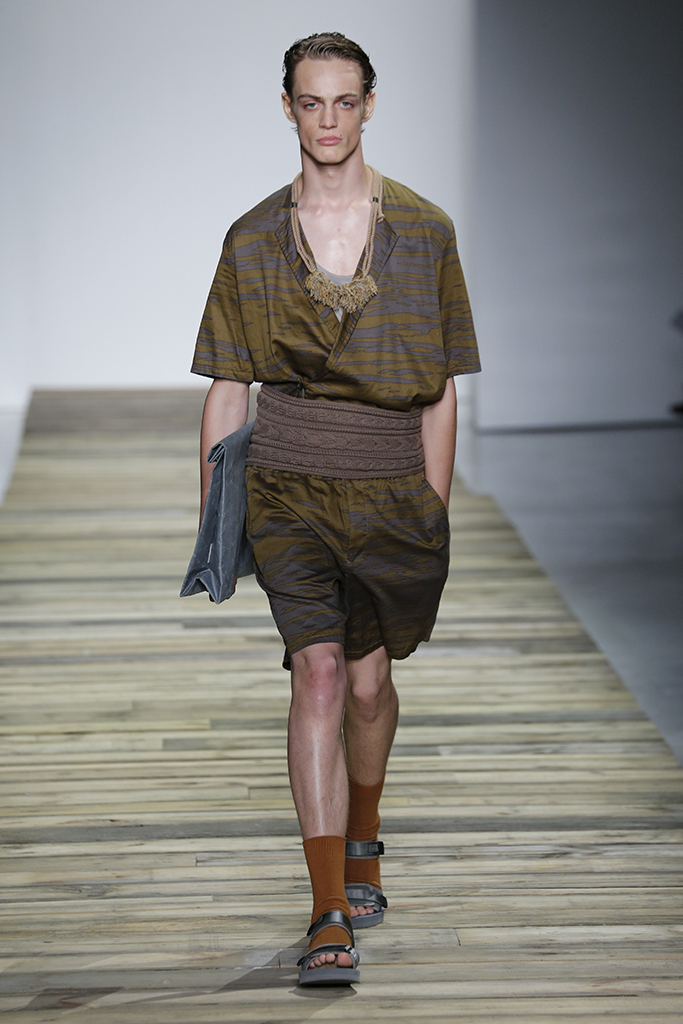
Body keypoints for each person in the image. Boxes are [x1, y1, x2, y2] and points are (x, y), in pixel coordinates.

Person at [191, 32, 480, 986]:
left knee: (366, 685)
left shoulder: (425, 231)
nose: (327, 120)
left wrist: (432, 511)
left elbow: (441, 387)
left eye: (344, 102)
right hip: (287, 484)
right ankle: (327, 910)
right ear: (287, 107)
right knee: (315, 675)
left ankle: (364, 832)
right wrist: (216, 522)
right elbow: (227, 387)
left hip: (392, 492)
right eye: (310, 102)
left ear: (368, 105)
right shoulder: (250, 238)